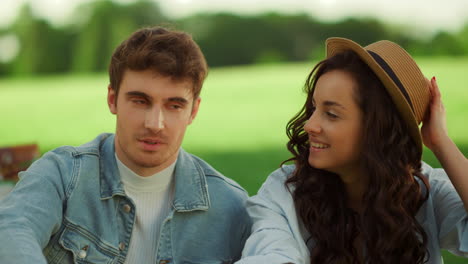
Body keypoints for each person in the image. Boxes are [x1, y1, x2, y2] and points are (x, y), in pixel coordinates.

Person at [0, 26, 251, 264]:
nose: (155, 124)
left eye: (174, 105)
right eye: (140, 101)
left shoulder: (231, 206)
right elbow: (11, 228)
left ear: (193, 111)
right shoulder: (61, 176)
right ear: (113, 99)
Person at [237, 38, 468, 264]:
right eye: (314, 108)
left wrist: (440, 142)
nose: (309, 125)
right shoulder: (284, 192)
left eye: (332, 114)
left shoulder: (427, 193)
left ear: (378, 129)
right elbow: (270, 253)